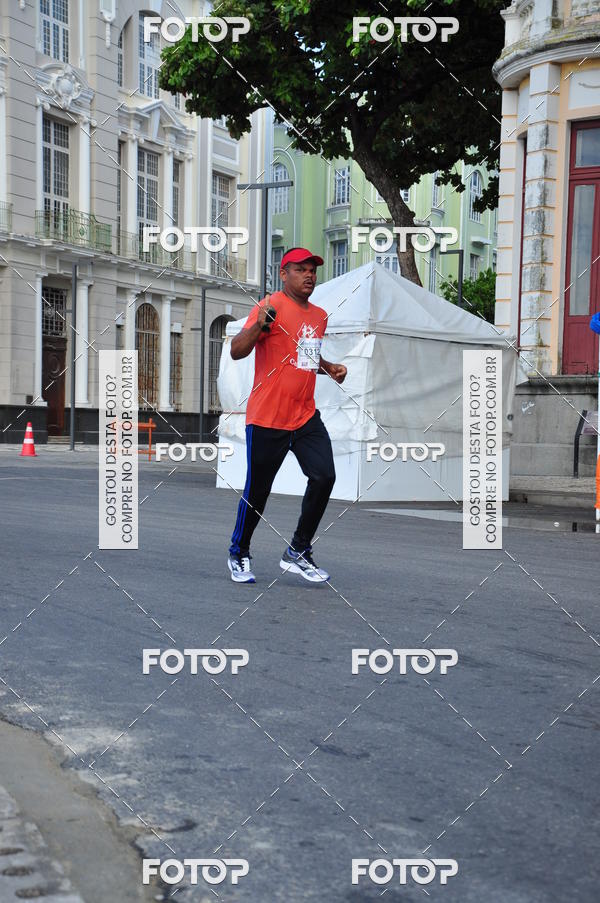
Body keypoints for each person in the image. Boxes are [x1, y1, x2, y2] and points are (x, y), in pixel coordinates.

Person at [227, 247, 347, 584]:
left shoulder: (319, 315)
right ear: (284, 274)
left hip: (305, 416)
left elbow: (306, 357)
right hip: (267, 417)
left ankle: (297, 550)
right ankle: (239, 552)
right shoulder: (270, 306)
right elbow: (237, 351)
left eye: (313, 270)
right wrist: (258, 327)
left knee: (324, 477)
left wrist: (330, 367)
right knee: (258, 491)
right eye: (301, 269)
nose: (310, 275)